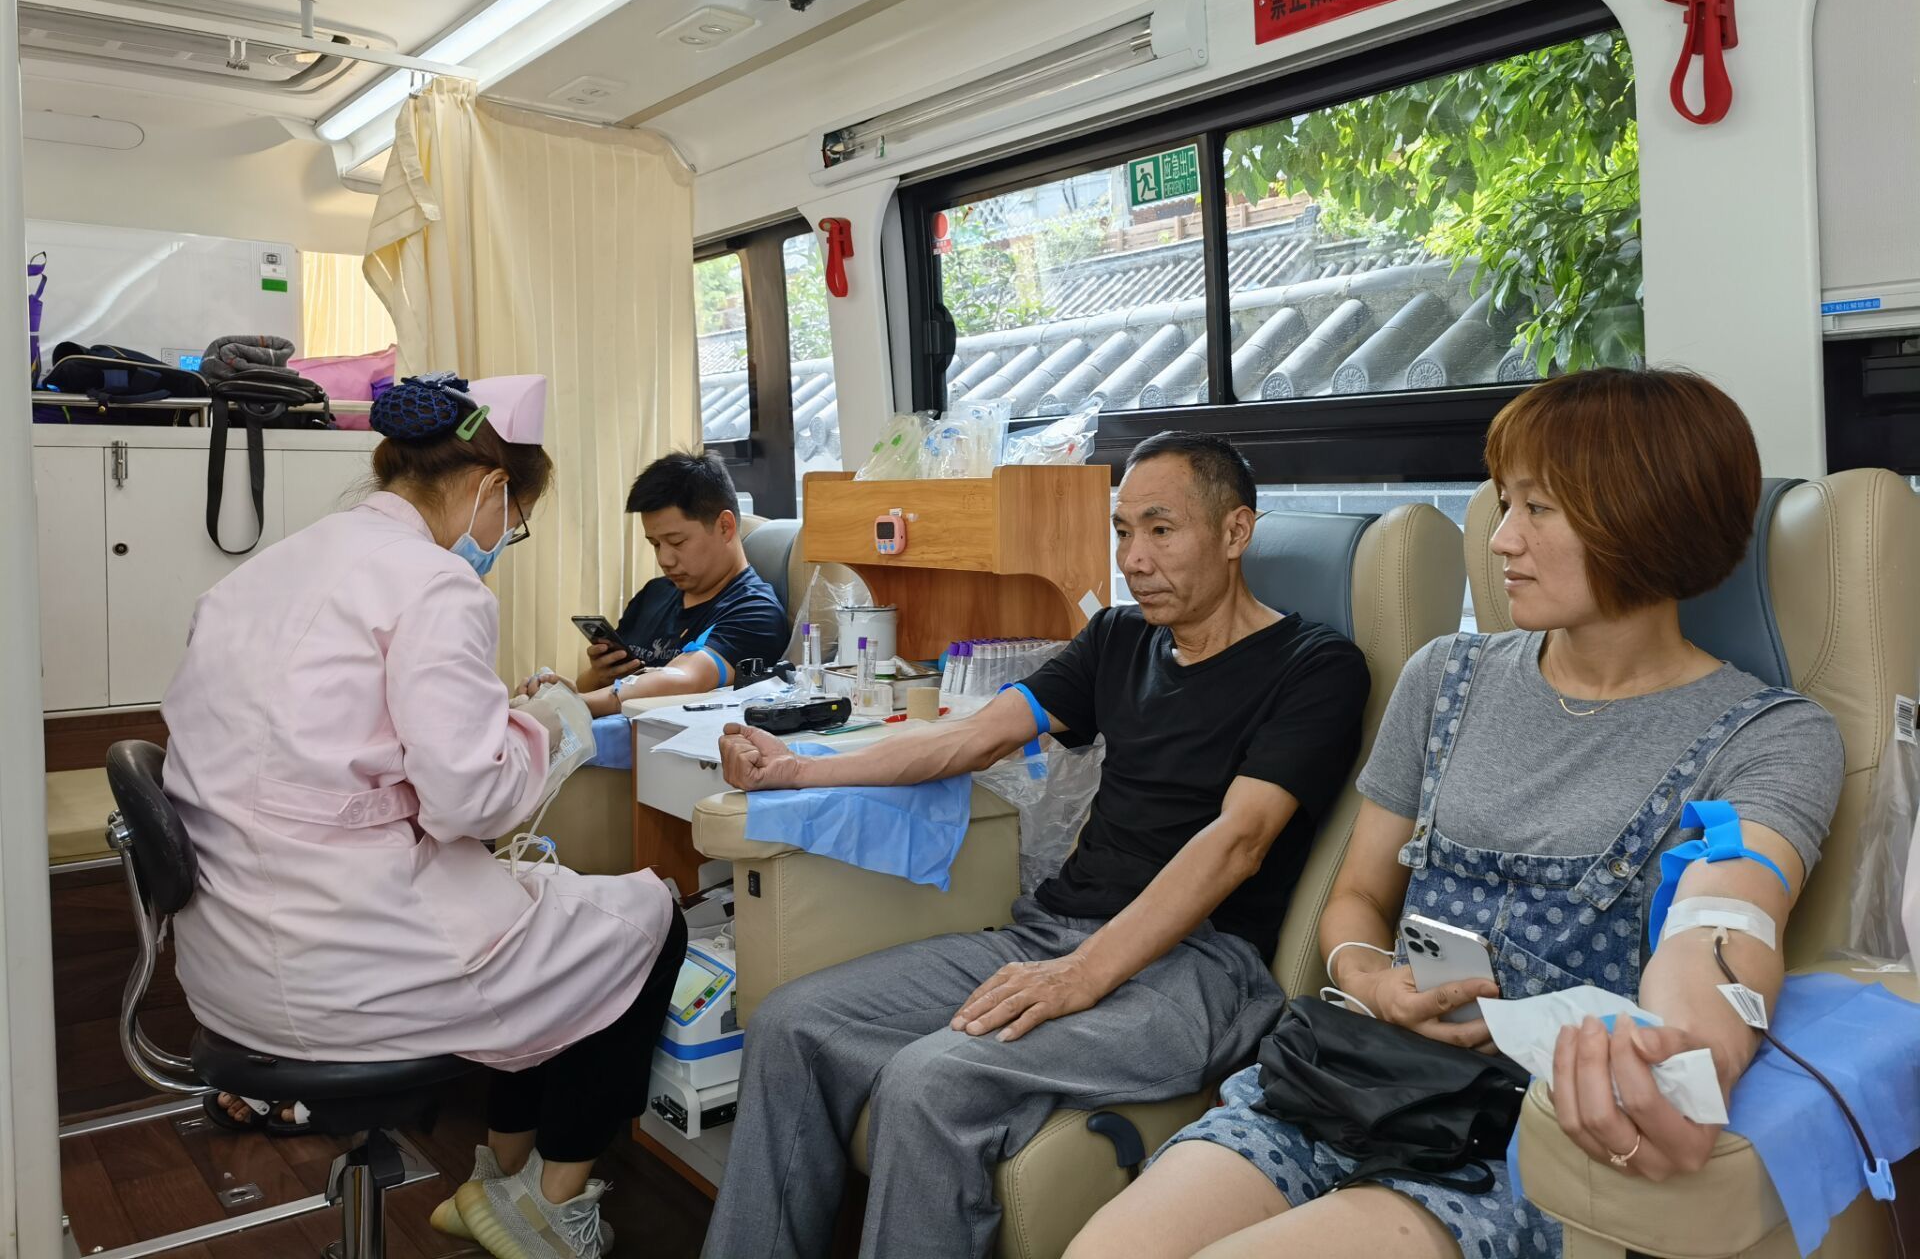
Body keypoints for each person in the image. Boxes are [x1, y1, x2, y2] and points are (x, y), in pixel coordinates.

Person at [1067, 369, 1847, 1259]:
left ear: (1650, 518)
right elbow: (1357, 897)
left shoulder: (1769, 736)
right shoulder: (1446, 678)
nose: (1501, 539)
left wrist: (1696, 1056)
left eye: (1537, 509)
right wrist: (1372, 981)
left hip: (1523, 1139)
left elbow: (1726, 928)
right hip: (1357, 1077)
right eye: (1504, 504)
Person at [700, 431, 1373, 1259]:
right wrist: (798, 770)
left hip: (1199, 967)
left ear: (1236, 532)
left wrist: (1084, 974)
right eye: (1122, 531)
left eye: (1161, 530)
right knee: (790, 1022)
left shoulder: (1316, 666)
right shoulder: (1118, 638)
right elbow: (973, 737)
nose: (1134, 559)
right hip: (1055, 930)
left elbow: (1239, 841)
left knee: (927, 1082)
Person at [161, 372, 685, 1259]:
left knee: (549, 912)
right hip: (345, 958)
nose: (501, 541)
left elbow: (319, 753)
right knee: (648, 914)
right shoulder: (437, 587)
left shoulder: (268, 571)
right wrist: (546, 726)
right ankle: (548, 1207)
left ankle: (494, 1186)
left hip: (227, 960)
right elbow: (470, 801)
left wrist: (492, 728)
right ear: (492, 487)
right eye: (514, 521)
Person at [572, 449, 788, 716]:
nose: (664, 559)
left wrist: (571, 705)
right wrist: (594, 677)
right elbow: (592, 686)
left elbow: (686, 679)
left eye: (677, 542)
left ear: (725, 526)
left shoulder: (755, 612)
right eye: (655, 544)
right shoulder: (654, 593)